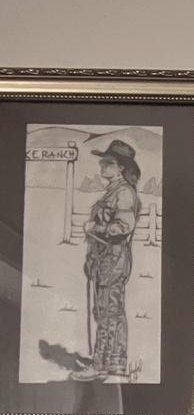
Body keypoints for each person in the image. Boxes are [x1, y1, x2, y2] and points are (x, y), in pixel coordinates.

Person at [70, 138, 141, 383]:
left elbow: (123, 226)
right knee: (109, 310)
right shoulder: (114, 191)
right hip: (105, 257)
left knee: (108, 311)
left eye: (108, 163)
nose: (102, 166)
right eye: (102, 162)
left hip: (114, 257)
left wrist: (95, 227)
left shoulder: (123, 193)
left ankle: (101, 366)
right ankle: (115, 364)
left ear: (121, 167)